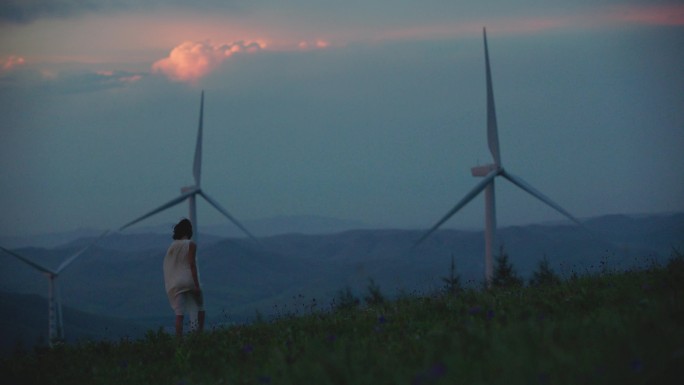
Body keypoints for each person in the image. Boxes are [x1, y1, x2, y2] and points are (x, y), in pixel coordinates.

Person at [163, 218, 205, 337]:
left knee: (179, 315)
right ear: (189, 231)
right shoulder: (190, 244)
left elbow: (168, 265)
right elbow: (191, 263)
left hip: (176, 283)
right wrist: (196, 285)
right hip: (189, 280)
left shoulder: (172, 247)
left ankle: (179, 340)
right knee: (200, 308)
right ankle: (199, 335)